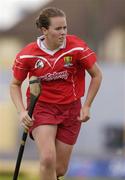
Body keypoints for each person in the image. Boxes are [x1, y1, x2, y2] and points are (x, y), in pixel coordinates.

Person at [10, 7, 102, 180]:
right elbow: (15, 84)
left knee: (59, 169)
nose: (63, 33)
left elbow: (97, 75)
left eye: (65, 28)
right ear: (44, 30)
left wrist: (87, 105)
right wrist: (22, 111)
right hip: (42, 107)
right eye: (58, 29)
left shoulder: (76, 48)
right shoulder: (27, 55)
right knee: (47, 159)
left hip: (71, 109)